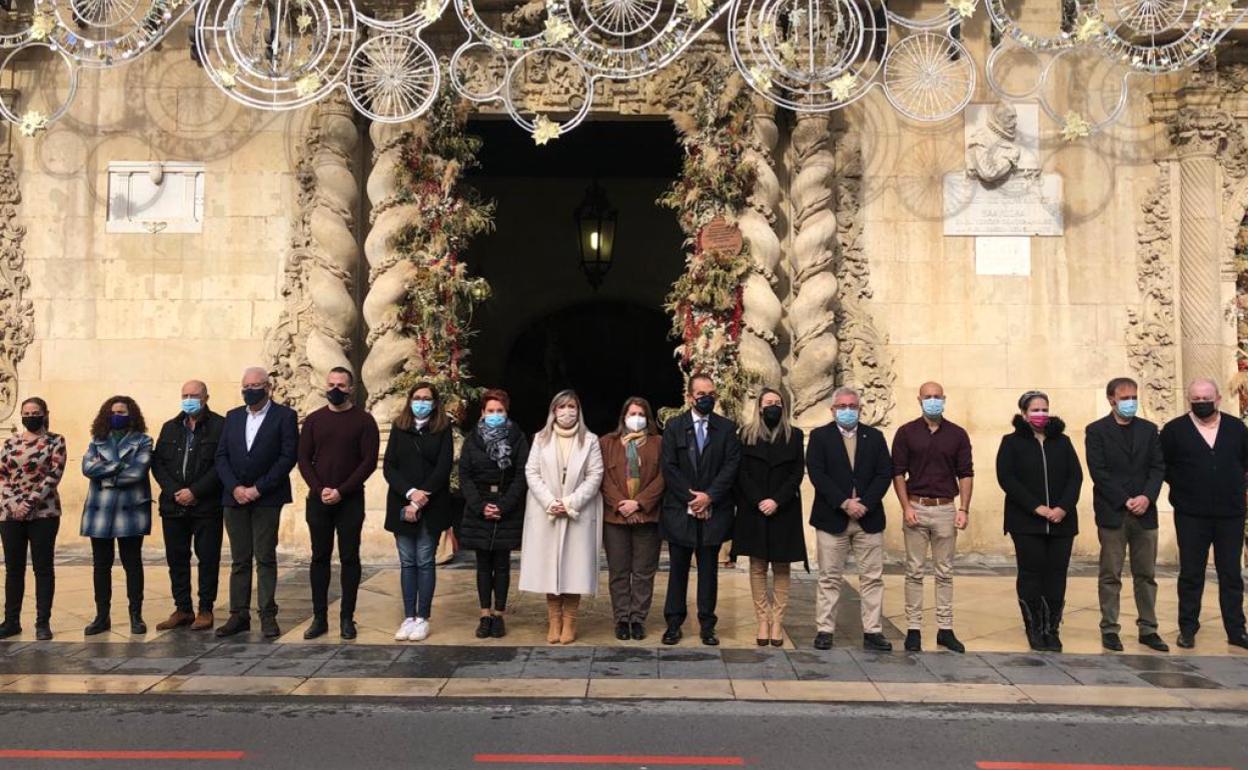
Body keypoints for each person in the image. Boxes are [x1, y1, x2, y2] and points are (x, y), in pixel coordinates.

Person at [1160, 378, 1248, 650]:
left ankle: (1236, 630)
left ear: (1218, 398)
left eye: (1206, 398)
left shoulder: (1236, 428)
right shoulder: (1174, 430)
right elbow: (1164, 465)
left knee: (1231, 573)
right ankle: (1187, 628)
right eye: (1196, 399)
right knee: (1191, 573)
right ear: (1189, 400)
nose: (1201, 403)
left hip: (1230, 513)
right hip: (1191, 514)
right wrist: (1185, 488)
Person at [1085, 377, 1168, 653]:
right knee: (1111, 573)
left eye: (1134, 397)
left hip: (1145, 512)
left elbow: (1158, 468)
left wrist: (1147, 497)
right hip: (1114, 513)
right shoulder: (1096, 431)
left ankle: (1148, 628)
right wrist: (1125, 499)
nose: (1130, 402)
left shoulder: (1149, 430)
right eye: (1125, 398)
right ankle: (1110, 628)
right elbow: (1099, 472)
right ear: (1112, 399)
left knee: (1146, 574)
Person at [215, 366, 299, 639]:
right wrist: (235, 487)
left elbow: (287, 457)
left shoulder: (284, 416)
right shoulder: (233, 417)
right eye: (246, 386)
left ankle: (267, 615)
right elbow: (221, 456)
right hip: (235, 497)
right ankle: (238, 614)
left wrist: (258, 488)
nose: (250, 391)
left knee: (264, 556)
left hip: (267, 498)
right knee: (239, 559)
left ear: (268, 387)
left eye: (255, 386)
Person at [807, 386, 892, 652]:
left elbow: (884, 473)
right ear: (833, 410)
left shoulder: (875, 437)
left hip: (869, 518)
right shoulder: (820, 437)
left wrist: (865, 504)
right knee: (829, 578)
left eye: (852, 406)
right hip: (833, 518)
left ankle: (873, 630)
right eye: (842, 407)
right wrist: (844, 503)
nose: (847, 411)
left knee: (872, 578)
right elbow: (817, 474)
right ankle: (825, 630)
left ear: (859, 409)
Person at [996, 391, 1082, 652]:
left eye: (1044, 409)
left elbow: (1075, 477)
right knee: (1031, 574)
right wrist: (1037, 508)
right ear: (1024, 413)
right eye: (1035, 410)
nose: (1041, 414)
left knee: (1056, 575)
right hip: (1026, 522)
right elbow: (1007, 478)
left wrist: (1062, 508)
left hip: (1061, 522)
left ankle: (1051, 628)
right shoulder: (1011, 442)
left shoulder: (1063, 442)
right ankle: (1034, 626)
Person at [297, 367, 379, 640]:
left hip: (350, 500)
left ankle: (347, 617)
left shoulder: (365, 421)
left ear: (351, 388)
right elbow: (304, 459)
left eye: (341, 385)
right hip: (318, 500)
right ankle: (319, 618)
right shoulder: (314, 420)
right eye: (331, 383)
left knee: (349, 558)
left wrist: (342, 491)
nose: (335, 389)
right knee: (319, 557)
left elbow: (368, 462)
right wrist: (319, 489)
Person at [659, 373, 741, 646]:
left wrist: (709, 497)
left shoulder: (727, 428)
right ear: (689, 396)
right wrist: (692, 499)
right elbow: (669, 466)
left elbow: (731, 467)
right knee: (678, 569)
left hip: (714, 510)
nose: (706, 398)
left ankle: (707, 624)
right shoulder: (673, 426)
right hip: (680, 510)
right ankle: (673, 622)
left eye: (711, 394)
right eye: (701, 394)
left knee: (709, 570)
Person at [891, 381, 972, 653]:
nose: (933, 400)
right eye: (928, 397)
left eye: (937, 396)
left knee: (945, 572)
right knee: (914, 571)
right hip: (916, 506)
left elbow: (966, 473)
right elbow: (898, 473)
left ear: (944, 399)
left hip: (946, 509)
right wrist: (906, 507)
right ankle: (913, 628)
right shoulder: (906, 433)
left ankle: (945, 628)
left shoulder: (958, 434)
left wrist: (964, 509)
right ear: (919, 400)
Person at [520, 390, 604, 645]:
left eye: (572, 406)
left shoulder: (590, 440)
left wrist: (569, 503)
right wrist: (550, 501)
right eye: (562, 407)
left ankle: (570, 621)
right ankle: (553, 620)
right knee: (549, 568)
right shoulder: (541, 438)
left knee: (574, 569)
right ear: (553, 411)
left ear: (579, 410)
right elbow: (531, 472)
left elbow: (595, 475)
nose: (567, 411)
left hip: (577, 512)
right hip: (547, 513)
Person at [732, 388, 806, 648]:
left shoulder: (794, 435)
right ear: (760, 407)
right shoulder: (746, 434)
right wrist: (758, 500)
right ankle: (762, 619)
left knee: (782, 566)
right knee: (758, 566)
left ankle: (778, 621)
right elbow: (740, 472)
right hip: (755, 509)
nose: (773, 406)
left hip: (783, 509)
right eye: (768, 402)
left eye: (777, 402)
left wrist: (776, 500)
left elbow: (797, 472)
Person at [150, 380, 226, 633]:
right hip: (173, 506)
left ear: (206, 397)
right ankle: (182, 608)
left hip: (206, 506)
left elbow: (221, 464)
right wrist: (174, 491)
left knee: (208, 558)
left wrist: (195, 491)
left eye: (194, 395)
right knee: (177, 558)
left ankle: (205, 609)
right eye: (185, 395)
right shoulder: (170, 427)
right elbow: (158, 463)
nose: (189, 399)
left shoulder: (219, 426)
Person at [383, 381, 454, 642]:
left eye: (426, 398)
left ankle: (422, 617)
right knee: (407, 562)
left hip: (432, 505)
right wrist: (411, 493)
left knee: (425, 560)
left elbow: (444, 466)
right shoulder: (399, 427)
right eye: (417, 397)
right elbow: (389, 466)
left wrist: (422, 496)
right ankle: (408, 616)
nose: (421, 402)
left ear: (434, 403)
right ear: (409, 400)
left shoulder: (443, 428)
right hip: (403, 502)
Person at [457, 388, 529, 639]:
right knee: (482, 565)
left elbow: (522, 475)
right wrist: (480, 505)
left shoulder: (517, 438)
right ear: (482, 413)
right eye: (491, 411)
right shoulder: (472, 440)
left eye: (499, 411)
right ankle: (484, 613)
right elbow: (464, 475)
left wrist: (504, 505)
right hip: (479, 508)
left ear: (506, 412)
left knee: (502, 564)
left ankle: (499, 614)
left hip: (506, 509)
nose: (495, 415)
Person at [81, 395, 154, 636]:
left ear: (131, 415)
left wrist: (105, 474)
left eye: (123, 412)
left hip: (130, 510)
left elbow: (138, 471)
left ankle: (136, 615)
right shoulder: (96, 441)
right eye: (114, 412)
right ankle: (102, 616)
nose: (118, 416)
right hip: (100, 511)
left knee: (132, 563)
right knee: (101, 565)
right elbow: (87, 468)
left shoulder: (144, 440)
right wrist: (118, 466)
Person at [0, 397, 67, 640]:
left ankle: (42, 623)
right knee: (13, 569)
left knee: (43, 568)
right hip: (10, 514)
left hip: (44, 512)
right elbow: (2, 475)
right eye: (26, 412)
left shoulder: (55, 441)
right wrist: (13, 504)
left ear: (44, 413)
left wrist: (29, 503)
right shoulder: (11, 442)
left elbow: (53, 474)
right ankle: (11, 621)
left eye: (35, 412)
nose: (30, 416)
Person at [600, 397, 665, 641]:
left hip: (647, 516)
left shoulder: (659, 443)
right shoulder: (608, 442)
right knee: (618, 571)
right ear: (623, 417)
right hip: (615, 517)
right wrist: (621, 503)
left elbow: (663, 476)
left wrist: (639, 503)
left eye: (640, 413)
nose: (635, 418)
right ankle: (621, 618)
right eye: (631, 413)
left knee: (643, 572)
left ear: (647, 418)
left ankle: (637, 618)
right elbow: (602, 477)